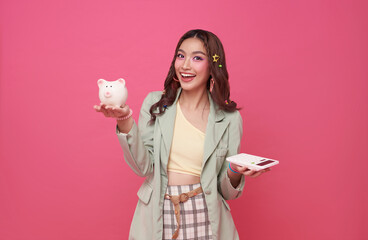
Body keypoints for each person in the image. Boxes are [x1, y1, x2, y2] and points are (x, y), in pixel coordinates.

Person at [94, 29, 270, 240]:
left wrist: (234, 170)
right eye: (180, 55)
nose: (185, 65)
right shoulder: (156, 104)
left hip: (206, 214)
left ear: (214, 66)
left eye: (197, 58)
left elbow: (227, 192)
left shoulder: (229, 119)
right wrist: (124, 120)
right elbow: (143, 167)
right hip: (159, 212)